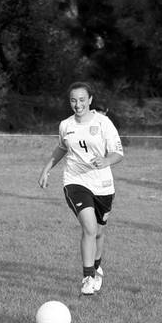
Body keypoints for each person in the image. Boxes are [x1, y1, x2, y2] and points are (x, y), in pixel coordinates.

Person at [38, 82, 124, 295]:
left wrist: (106, 161)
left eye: (82, 100)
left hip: (103, 185)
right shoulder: (65, 125)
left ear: (90, 100)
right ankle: (88, 277)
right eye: (73, 100)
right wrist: (46, 169)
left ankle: (96, 267)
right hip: (75, 181)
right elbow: (61, 148)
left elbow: (118, 153)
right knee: (89, 227)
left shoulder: (103, 123)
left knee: (99, 232)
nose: (78, 105)